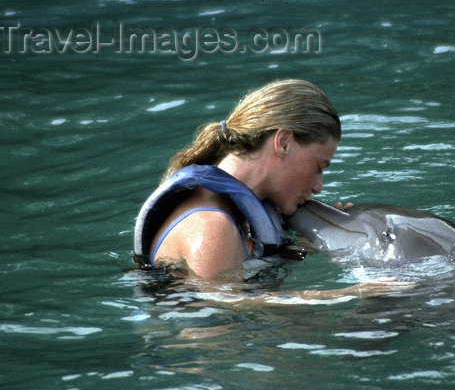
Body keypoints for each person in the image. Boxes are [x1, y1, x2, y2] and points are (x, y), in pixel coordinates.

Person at [134, 79, 340, 279]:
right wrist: (352, 294)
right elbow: (220, 307)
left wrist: (310, 244)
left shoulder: (232, 216)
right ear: (284, 143)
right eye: (318, 168)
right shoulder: (210, 227)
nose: (318, 187)